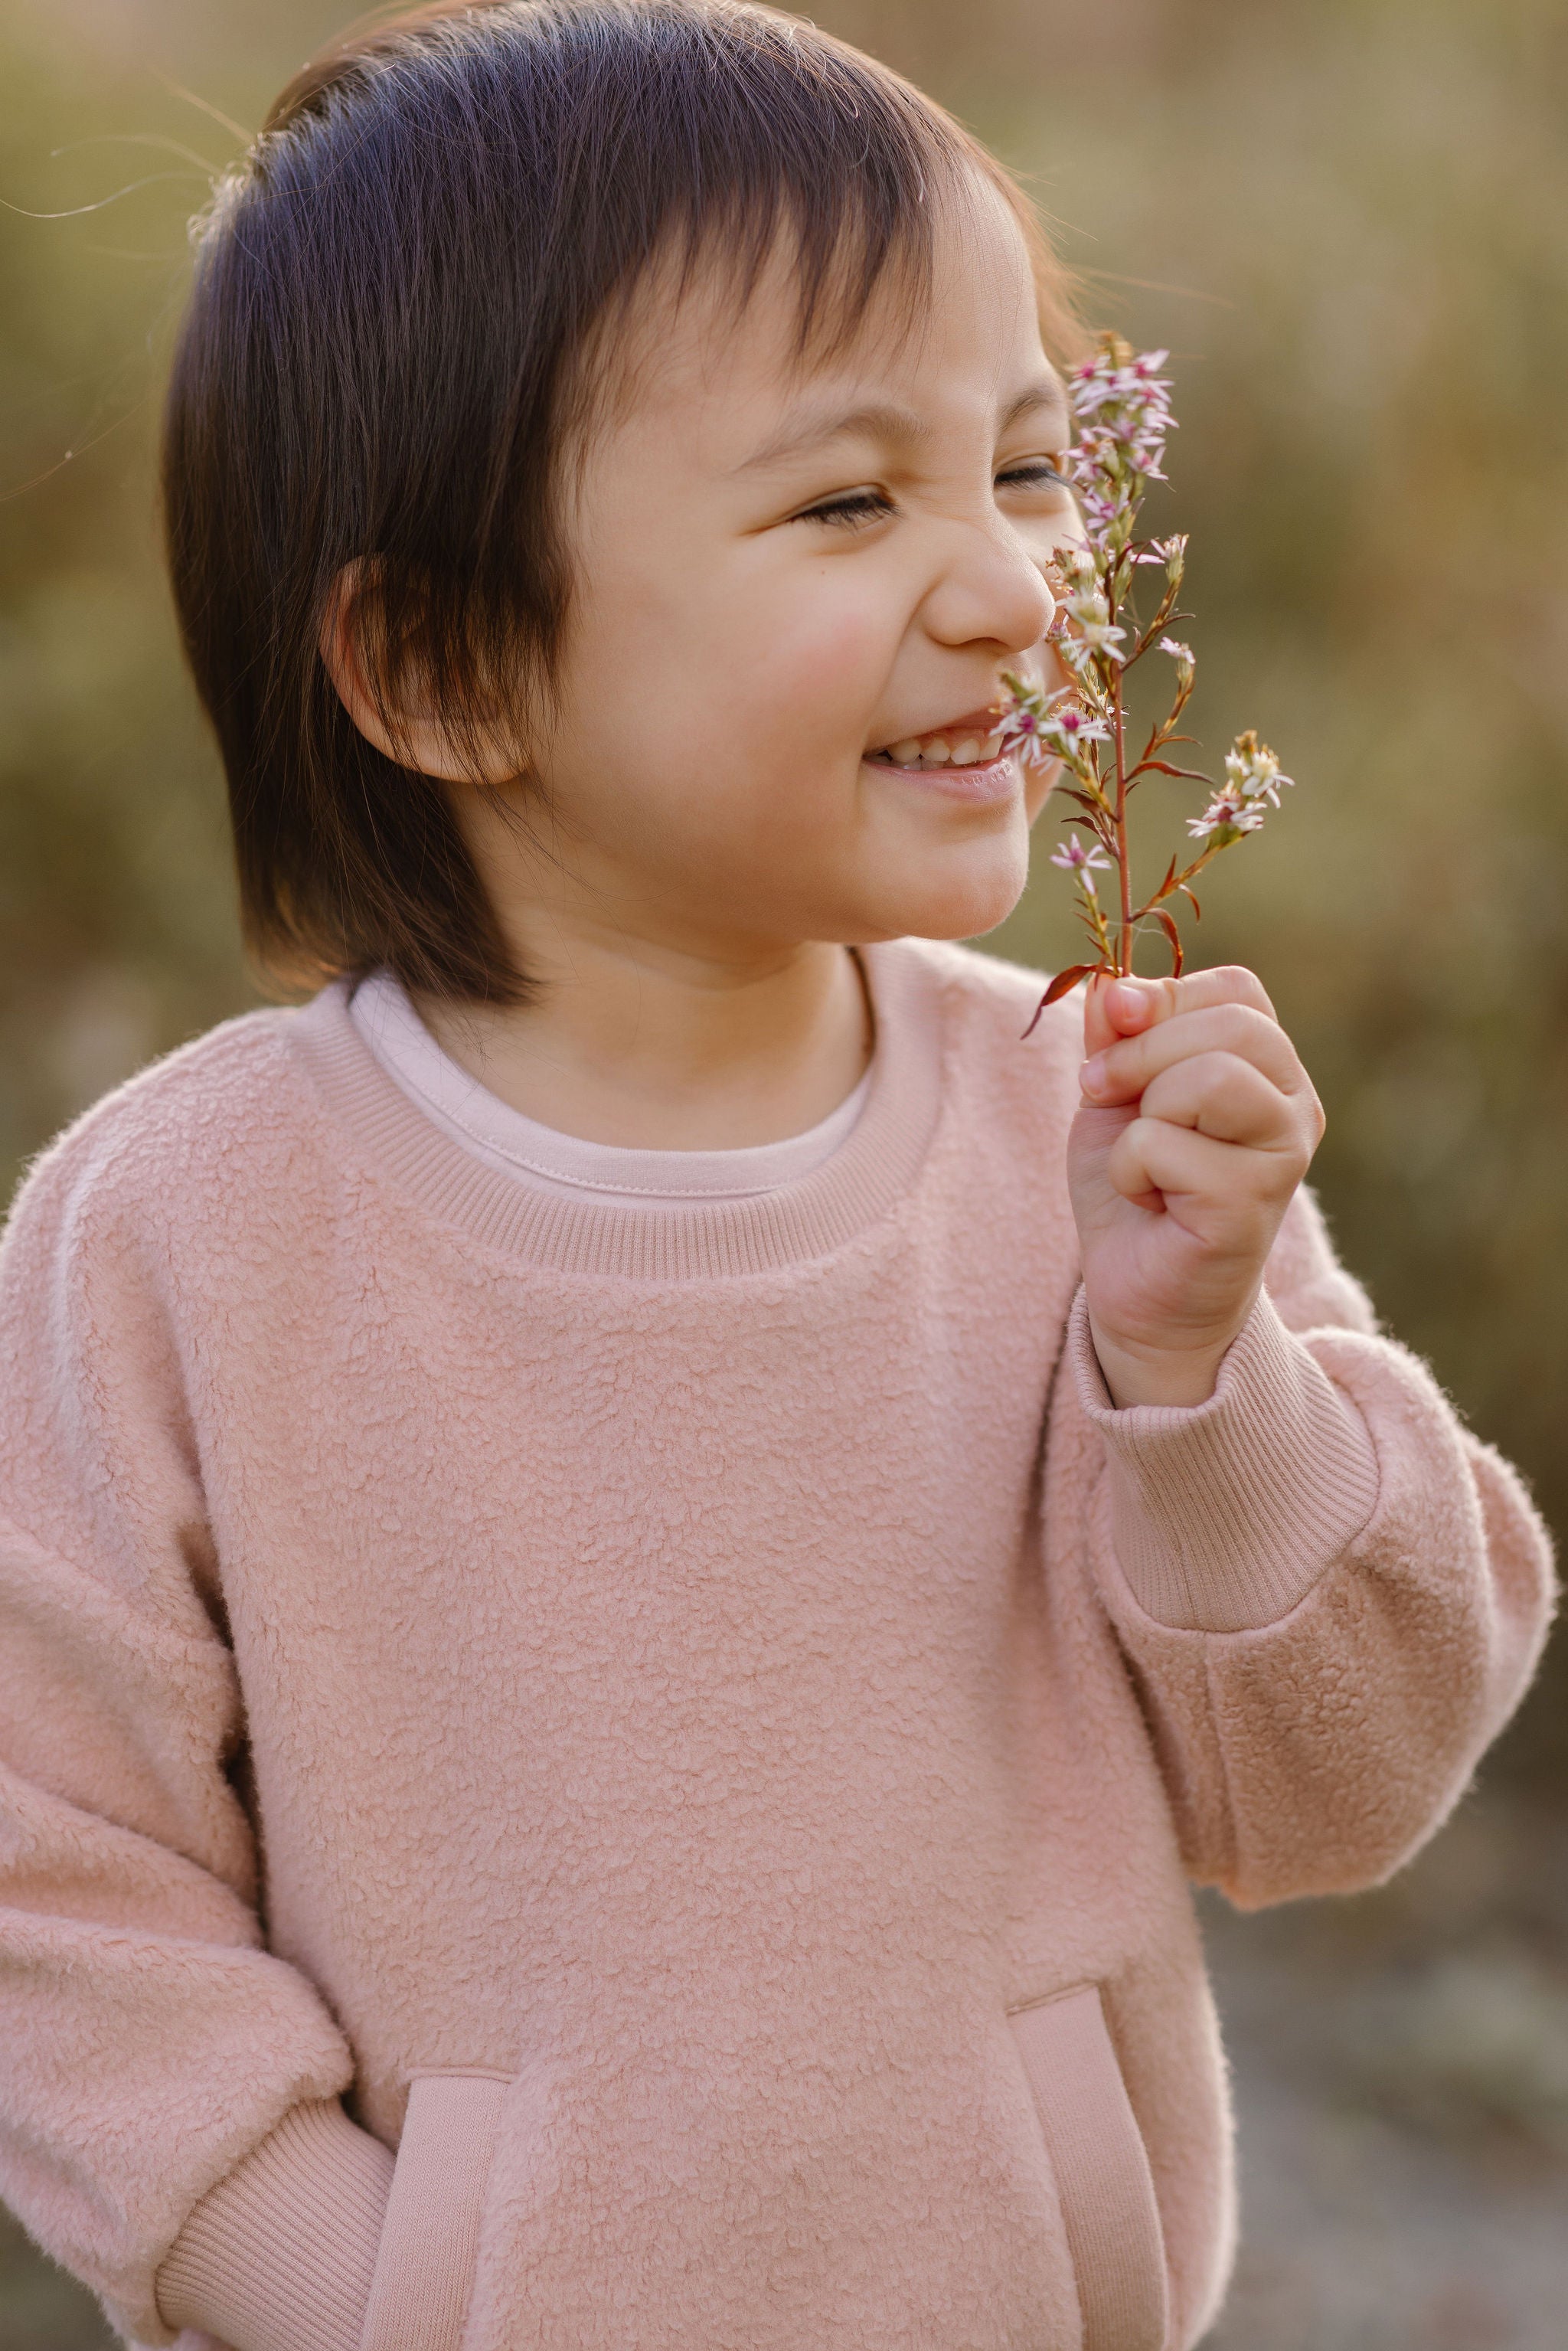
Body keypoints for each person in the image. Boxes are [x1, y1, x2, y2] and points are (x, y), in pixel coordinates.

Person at [0, 5, 1553, 2349]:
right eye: (851, 501)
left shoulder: (1086, 1131)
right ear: (440, 669)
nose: (1019, 591)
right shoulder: (189, 1233)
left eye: (1029, 471)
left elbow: (1336, 1799)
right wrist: (374, 2293)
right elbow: (52, 1884)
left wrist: (1204, 1375)